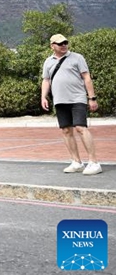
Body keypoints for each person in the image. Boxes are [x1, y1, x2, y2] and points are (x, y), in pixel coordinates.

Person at [41, 34, 101, 175]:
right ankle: (76, 162)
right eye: (60, 43)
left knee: (80, 128)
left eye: (65, 42)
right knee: (66, 131)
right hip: (59, 100)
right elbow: (46, 80)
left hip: (77, 99)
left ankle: (94, 162)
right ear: (52, 46)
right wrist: (43, 96)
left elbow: (86, 77)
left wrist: (92, 98)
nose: (63, 45)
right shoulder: (48, 62)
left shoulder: (77, 58)